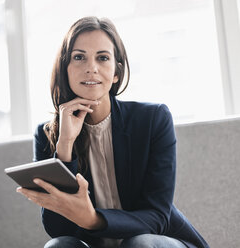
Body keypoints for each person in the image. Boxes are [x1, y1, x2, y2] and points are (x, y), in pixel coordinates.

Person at [16, 16, 209, 248]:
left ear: (116, 72)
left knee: (140, 244)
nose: (91, 68)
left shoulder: (153, 119)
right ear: (65, 69)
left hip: (158, 243)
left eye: (103, 58)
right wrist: (65, 146)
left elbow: (157, 217)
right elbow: (58, 229)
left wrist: (93, 219)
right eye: (79, 57)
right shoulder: (48, 134)